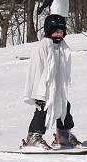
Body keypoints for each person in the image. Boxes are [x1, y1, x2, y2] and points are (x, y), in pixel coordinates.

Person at [23, 14, 80, 150]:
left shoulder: (62, 47)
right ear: (49, 31)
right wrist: (38, 93)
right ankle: (34, 136)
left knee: (64, 107)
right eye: (55, 31)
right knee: (42, 110)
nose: (58, 35)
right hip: (43, 87)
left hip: (57, 87)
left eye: (61, 31)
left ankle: (63, 134)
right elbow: (36, 70)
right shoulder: (42, 46)